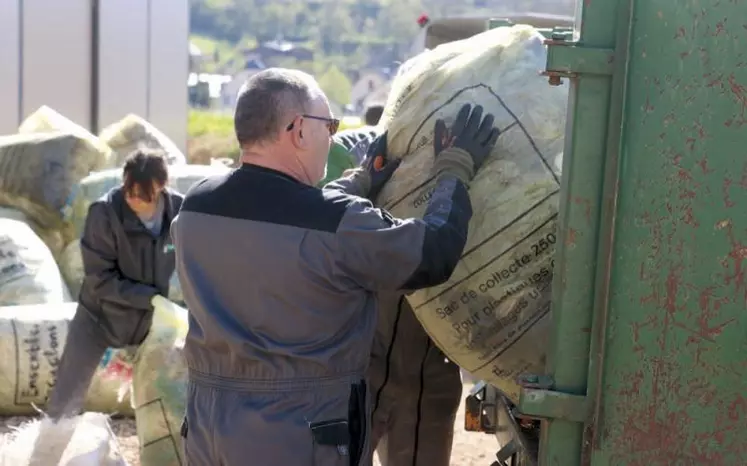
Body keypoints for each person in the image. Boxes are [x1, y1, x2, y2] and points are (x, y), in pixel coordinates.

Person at [171, 67, 499, 466]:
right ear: (298, 130)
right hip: (297, 437)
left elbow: (292, 214)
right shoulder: (337, 224)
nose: (331, 135)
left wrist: (360, 180)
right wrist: (455, 168)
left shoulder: (196, 207)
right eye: (328, 124)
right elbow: (431, 254)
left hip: (209, 428)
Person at [29, 149, 183, 464]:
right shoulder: (104, 213)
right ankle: (42, 460)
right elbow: (100, 280)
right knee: (67, 395)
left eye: (145, 194)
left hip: (150, 322)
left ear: (161, 188)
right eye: (130, 191)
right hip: (98, 318)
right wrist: (151, 297)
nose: (135, 199)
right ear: (123, 182)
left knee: (166, 394)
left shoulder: (180, 211)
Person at [334, 131, 466, 466]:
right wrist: (454, 171)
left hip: (414, 382)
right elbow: (433, 249)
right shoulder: (364, 220)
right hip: (376, 376)